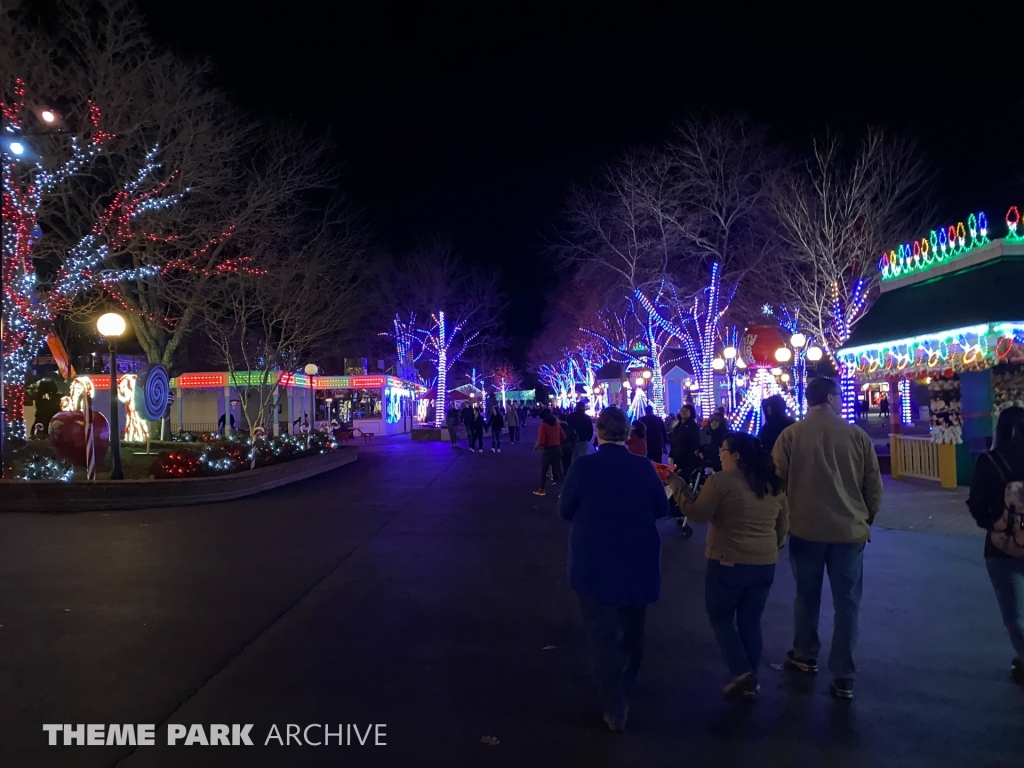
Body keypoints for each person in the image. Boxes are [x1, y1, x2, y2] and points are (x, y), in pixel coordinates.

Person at [771, 376, 883, 700]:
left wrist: (782, 525)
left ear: (808, 400)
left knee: (806, 597)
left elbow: (776, 484)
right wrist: (865, 518)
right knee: (847, 604)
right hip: (849, 533)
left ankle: (805, 654)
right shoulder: (856, 436)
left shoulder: (790, 436)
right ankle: (844, 674)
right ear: (833, 397)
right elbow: (873, 487)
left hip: (805, 529)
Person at [558, 407, 669, 731]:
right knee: (632, 635)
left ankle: (614, 702)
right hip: (639, 561)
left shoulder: (584, 466)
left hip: (594, 562)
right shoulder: (643, 466)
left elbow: (566, 509)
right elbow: (661, 507)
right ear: (627, 432)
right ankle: (625, 689)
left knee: (601, 636)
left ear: (599, 430)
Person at [666, 432, 788, 699]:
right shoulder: (771, 482)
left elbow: (698, 514)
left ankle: (742, 671)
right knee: (750, 620)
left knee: (720, 616)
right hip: (765, 561)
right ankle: (749, 680)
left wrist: (677, 486)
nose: (719, 454)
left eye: (723, 450)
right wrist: (771, 545)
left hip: (728, 559)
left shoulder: (721, 481)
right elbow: (783, 523)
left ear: (736, 455)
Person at [967, 406, 1024, 686]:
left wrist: (993, 523)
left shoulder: (990, 461)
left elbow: (976, 504)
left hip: (1003, 546)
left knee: (1014, 613)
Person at [533, 409, 566, 496]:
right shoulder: (557, 424)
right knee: (558, 470)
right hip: (557, 448)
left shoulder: (543, 426)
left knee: (544, 470)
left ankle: (541, 489)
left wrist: (538, 446)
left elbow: (541, 440)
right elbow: (563, 436)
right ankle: (565, 490)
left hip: (547, 450)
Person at [670, 405, 702, 480]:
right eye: (682, 410)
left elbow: (695, 445)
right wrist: (671, 455)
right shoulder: (678, 426)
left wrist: (688, 464)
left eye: (686, 410)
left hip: (687, 461)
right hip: (677, 459)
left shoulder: (693, 427)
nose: (683, 412)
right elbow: (674, 441)